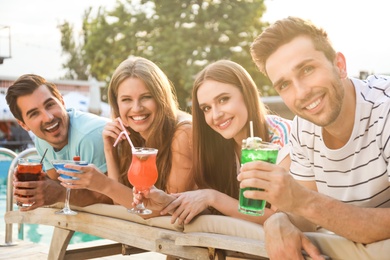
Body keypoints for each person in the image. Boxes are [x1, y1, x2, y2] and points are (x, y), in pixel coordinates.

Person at [237, 16, 390, 259]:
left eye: (307, 69)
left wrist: (303, 201)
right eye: (284, 84)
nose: (302, 93)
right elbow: (302, 217)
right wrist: (277, 221)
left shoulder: (385, 110)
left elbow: (304, 203)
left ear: (339, 64)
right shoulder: (303, 127)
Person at [135, 60, 292, 225]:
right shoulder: (218, 144)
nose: (215, 115)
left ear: (247, 94)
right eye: (206, 108)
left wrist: (213, 197)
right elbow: (219, 210)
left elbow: (282, 219)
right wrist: (167, 201)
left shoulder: (283, 138)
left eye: (223, 99)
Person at [57, 56, 195, 215]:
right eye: (126, 100)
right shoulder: (133, 138)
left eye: (146, 97)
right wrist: (109, 149)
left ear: (161, 98)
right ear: (117, 105)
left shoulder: (183, 134)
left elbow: (166, 211)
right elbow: (119, 202)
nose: (136, 108)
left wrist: (103, 185)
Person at [6, 74, 112, 211]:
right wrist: (38, 184)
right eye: (34, 114)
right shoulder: (42, 140)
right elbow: (57, 181)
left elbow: (106, 197)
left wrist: (57, 193)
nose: (48, 118)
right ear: (23, 125)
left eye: (50, 105)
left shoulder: (91, 137)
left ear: (62, 102)